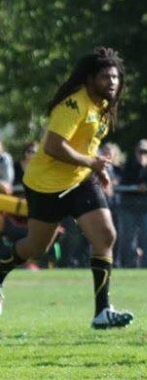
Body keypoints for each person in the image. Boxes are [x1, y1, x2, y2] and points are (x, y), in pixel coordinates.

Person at [0, 47, 133, 329]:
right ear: (89, 79)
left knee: (106, 235)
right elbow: (53, 146)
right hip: (45, 185)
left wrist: (97, 170)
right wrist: (91, 163)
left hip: (80, 182)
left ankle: (102, 311)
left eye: (115, 77)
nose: (112, 82)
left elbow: (90, 144)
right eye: (105, 77)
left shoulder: (104, 106)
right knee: (37, 248)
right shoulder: (74, 105)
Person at [117, 139, 147, 267]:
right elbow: (124, 180)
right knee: (128, 238)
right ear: (135, 151)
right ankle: (129, 264)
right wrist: (140, 166)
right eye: (140, 151)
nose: (142, 154)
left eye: (146, 151)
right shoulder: (130, 163)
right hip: (128, 208)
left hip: (146, 209)